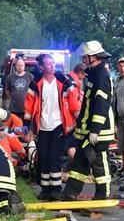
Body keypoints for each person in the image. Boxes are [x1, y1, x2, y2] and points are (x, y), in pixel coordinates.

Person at [62, 40, 115, 200]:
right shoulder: (93, 73)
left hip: (99, 130)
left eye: (85, 57)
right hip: (88, 129)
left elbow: (101, 105)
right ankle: (70, 193)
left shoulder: (101, 76)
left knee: (98, 162)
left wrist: (95, 130)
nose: (83, 60)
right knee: (80, 161)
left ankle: (102, 194)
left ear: (94, 56)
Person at [24, 54, 81, 200]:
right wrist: (27, 126)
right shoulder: (35, 83)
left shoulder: (63, 81)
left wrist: (78, 120)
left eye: (53, 63)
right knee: (44, 157)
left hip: (59, 125)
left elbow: (73, 102)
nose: (52, 65)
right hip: (42, 126)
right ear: (41, 67)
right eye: (49, 63)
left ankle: (55, 189)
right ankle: (45, 189)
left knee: (55, 158)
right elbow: (29, 106)